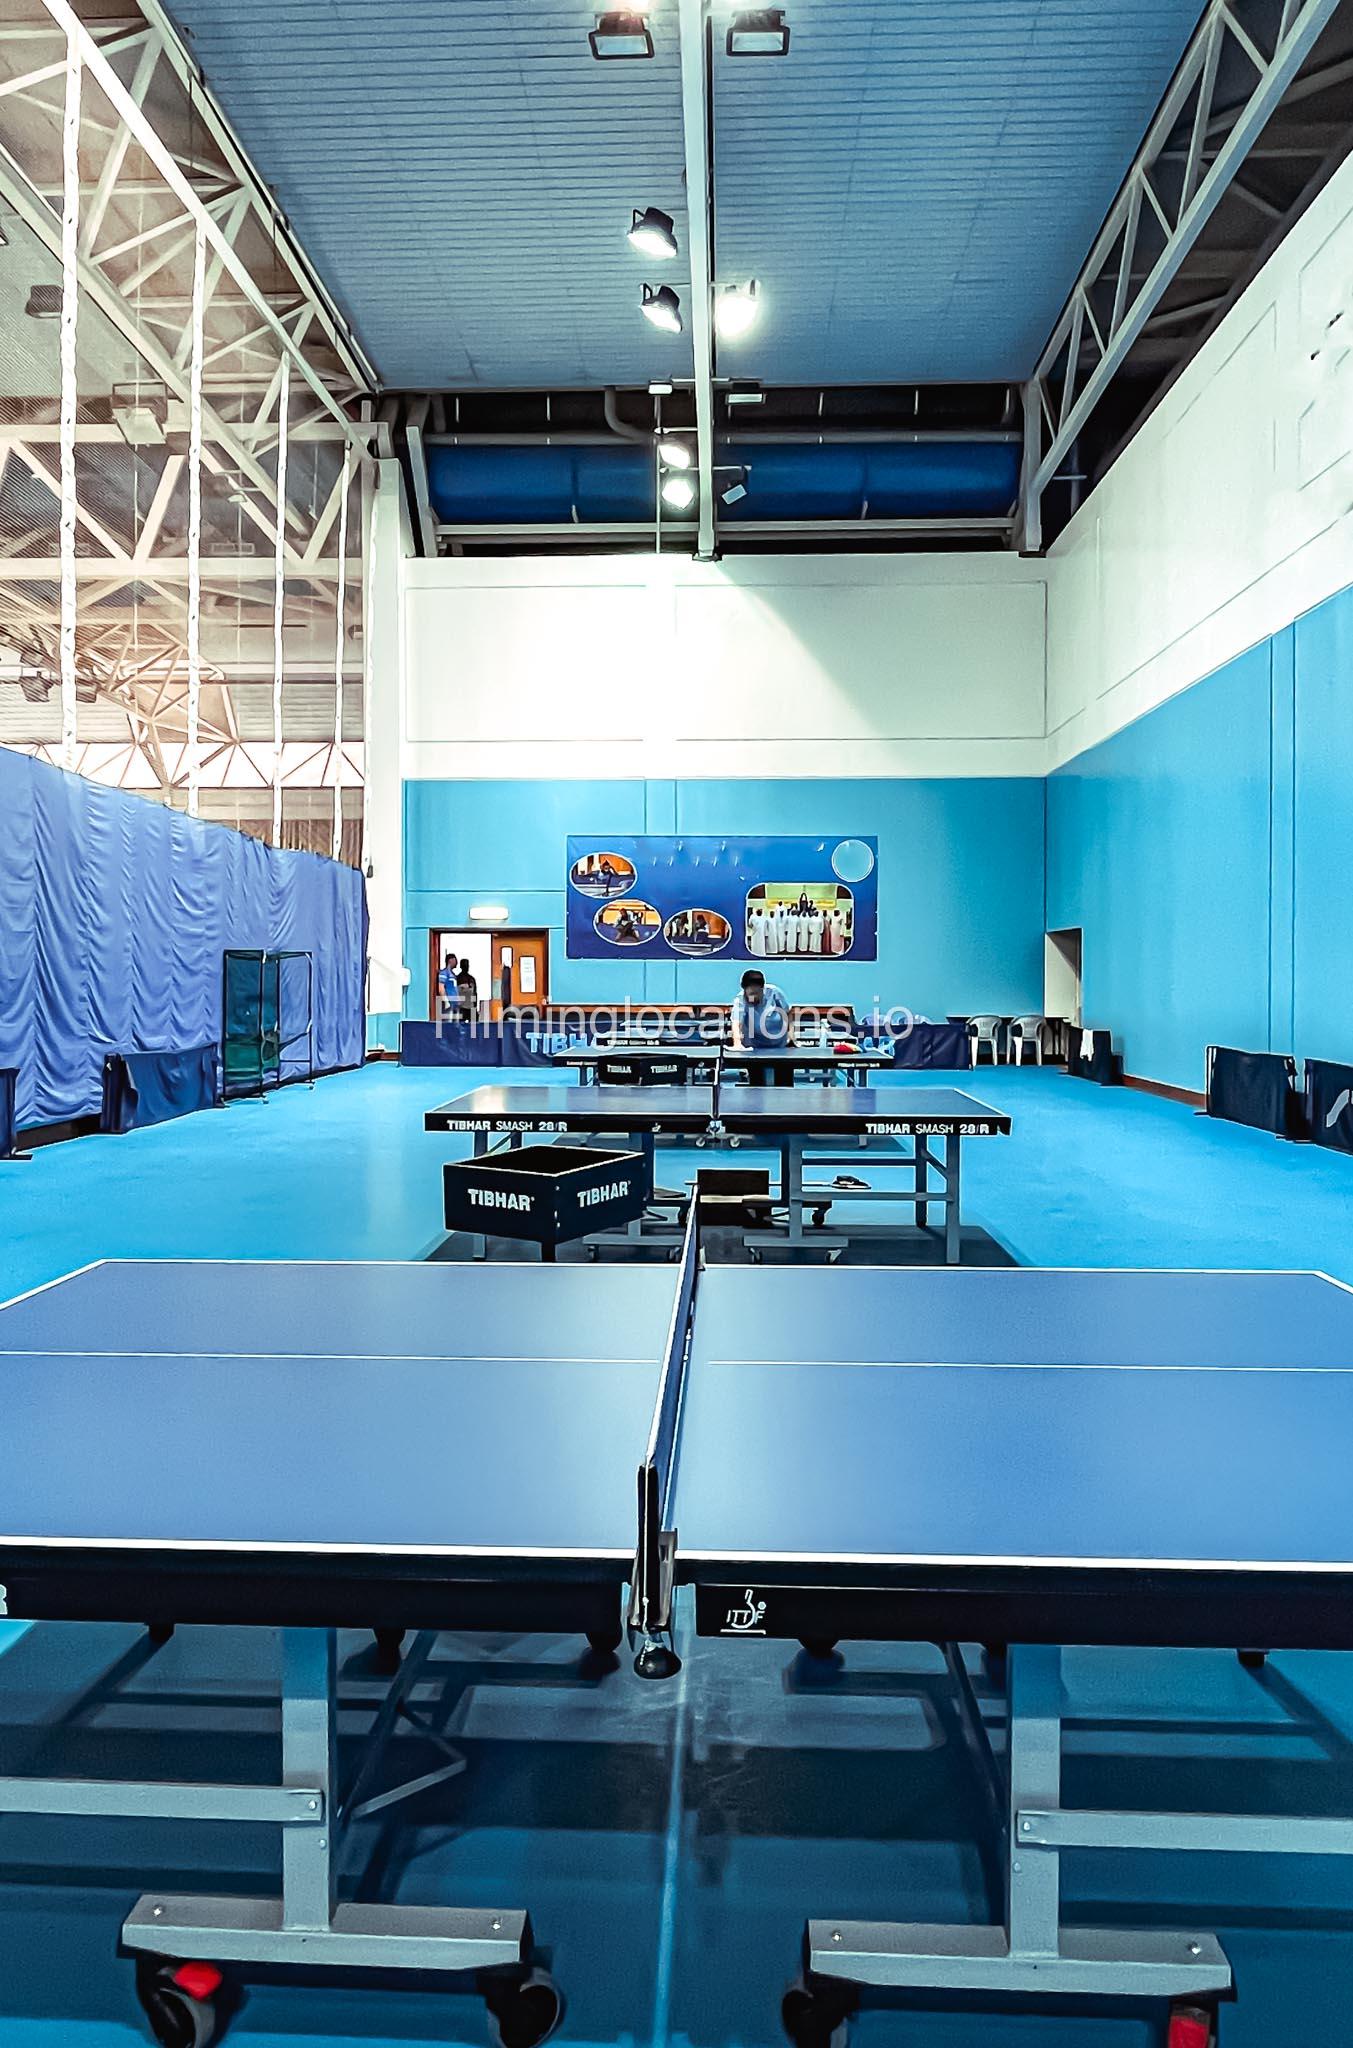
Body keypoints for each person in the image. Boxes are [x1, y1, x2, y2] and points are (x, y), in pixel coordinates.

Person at [730, 968, 791, 1087]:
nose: (752, 998)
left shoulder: (775, 993)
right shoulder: (740, 1000)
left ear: (762, 989)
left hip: (779, 1046)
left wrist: (790, 1035)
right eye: (750, 994)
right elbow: (736, 1023)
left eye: (756, 994)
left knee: (784, 1084)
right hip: (754, 1048)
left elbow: (788, 1013)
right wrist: (737, 1043)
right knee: (756, 1086)